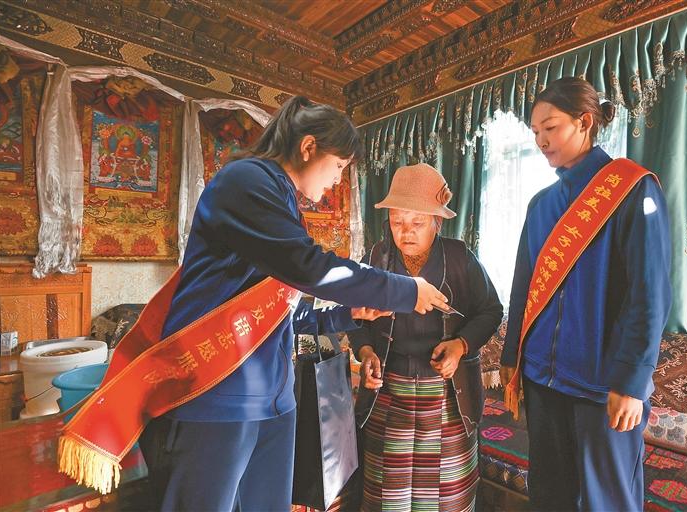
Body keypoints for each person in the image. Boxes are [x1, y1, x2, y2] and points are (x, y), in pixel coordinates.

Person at [135, 96, 451, 511]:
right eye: (338, 166)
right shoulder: (245, 182)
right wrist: (406, 290)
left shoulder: (281, 201)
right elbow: (310, 266)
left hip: (271, 396)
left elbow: (280, 312)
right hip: (218, 393)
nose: (338, 180)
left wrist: (348, 313)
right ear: (308, 147)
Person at [499, 77, 672, 511]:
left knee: (606, 501)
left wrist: (632, 381)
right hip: (542, 378)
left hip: (603, 385)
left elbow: (649, 294)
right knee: (549, 497)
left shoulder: (633, 188)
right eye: (535, 132)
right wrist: (511, 357)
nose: (541, 141)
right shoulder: (541, 204)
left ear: (585, 122)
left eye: (550, 127)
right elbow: (523, 287)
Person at [343, 163, 503, 512]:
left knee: (445, 497)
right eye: (397, 222)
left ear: (437, 222)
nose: (406, 232)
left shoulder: (460, 259)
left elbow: (491, 310)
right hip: (389, 392)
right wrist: (366, 351)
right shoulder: (375, 259)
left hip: (448, 397)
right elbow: (356, 318)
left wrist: (460, 346)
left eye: (417, 222)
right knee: (389, 495)